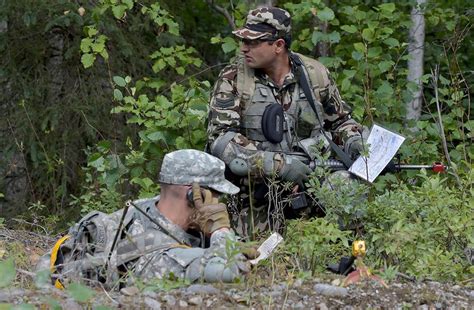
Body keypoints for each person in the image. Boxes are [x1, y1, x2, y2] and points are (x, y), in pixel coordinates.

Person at [207, 7, 366, 237]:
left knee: (346, 187)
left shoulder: (314, 75)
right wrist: (280, 166)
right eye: (243, 40)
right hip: (255, 191)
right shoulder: (234, 79)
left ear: (278, 45)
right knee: (256, 255)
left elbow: (341, 121)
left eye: (253, 42)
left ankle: (349, 259)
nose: (243, 48)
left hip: (311, 182)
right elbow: (221, 140)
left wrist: (356, 143)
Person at [37, 149, 258, 289]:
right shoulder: (151, 246)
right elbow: (229, 272)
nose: (219, 203)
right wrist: (220, 230)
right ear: (193, 194)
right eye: (216, 194)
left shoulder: (145, 210)